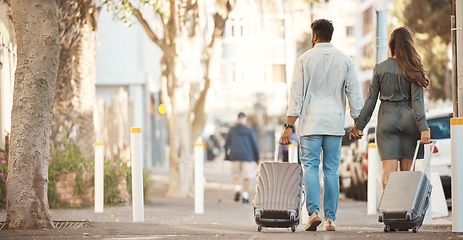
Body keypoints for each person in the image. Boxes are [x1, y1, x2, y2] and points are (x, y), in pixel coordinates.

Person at [279, 19, 363, 232]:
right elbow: (354, 94)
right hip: (334, 125)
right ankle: (330, 220)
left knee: (310, 167)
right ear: (331, 35)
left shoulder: (303, 60)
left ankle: (314, 213)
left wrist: (288, 126)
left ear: (315, 36)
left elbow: (295, 96)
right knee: (332, 171)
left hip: (311, 124)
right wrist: (357, 124)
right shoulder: (345, 61)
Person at [349, 26, 431, 189]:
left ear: (391, 45)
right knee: (408, 171)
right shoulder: (413, 68)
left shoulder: (380, 68)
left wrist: (359, 126)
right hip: (409, 121)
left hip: (386, 120)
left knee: (389, 170)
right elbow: (417, 103)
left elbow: (371, 100)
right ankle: (406, 208)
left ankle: (390, 208)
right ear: (409, 45)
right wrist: (424, 128)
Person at [224, 112, 259, 204]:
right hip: (247, 156)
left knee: (235, 175)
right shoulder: (249, 130)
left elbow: (227, 144)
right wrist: (257, 158)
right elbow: (254, 145)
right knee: (246, 176)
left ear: (238, 118)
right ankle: (245, 196)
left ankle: (237, 189)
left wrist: (226, 154)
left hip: (235, 155)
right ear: (245, 119)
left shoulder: (232, 130)